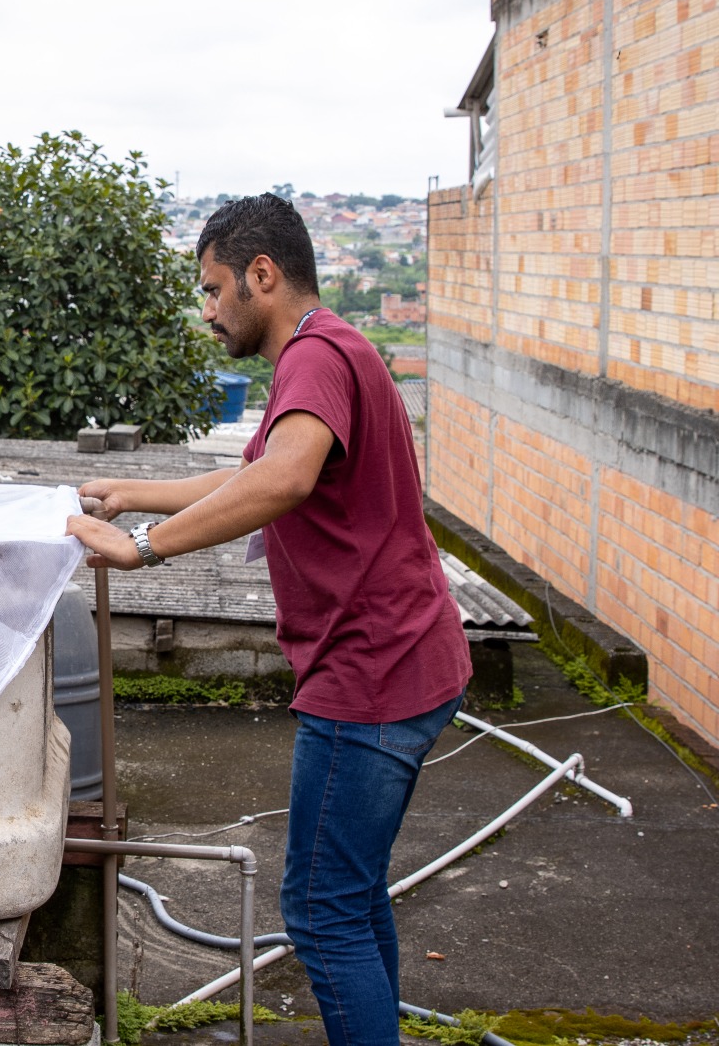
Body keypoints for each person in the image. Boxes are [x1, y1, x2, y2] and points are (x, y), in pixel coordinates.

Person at [66, 193, 471, 1046]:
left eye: (215, 290)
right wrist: (131, 494)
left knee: (320, 916)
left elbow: (281, 480)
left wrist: (142, 548)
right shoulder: (328, 351)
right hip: (405, 660)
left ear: (263, 275)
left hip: (372, 676)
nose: (208, 311)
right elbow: (249, 474)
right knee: (351, 900)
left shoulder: (316, 356)